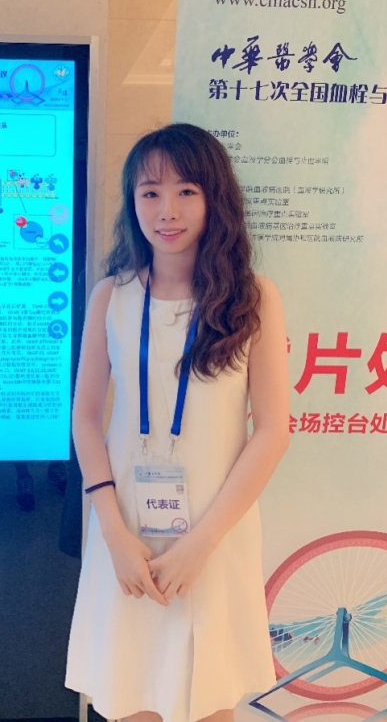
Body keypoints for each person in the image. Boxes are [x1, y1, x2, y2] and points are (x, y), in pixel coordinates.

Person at [65, 124, 290, 722]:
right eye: (150, 193)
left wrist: (201, 544)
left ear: (215, 197)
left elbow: (273, 431)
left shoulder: (254, 298)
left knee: (208, 695)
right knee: (130, 692)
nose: (167, 210)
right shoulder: (111, 296)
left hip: (215, 536)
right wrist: (112, 531)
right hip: (126, 533)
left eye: (186, 191)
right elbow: (85, 417)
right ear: (133, 201)